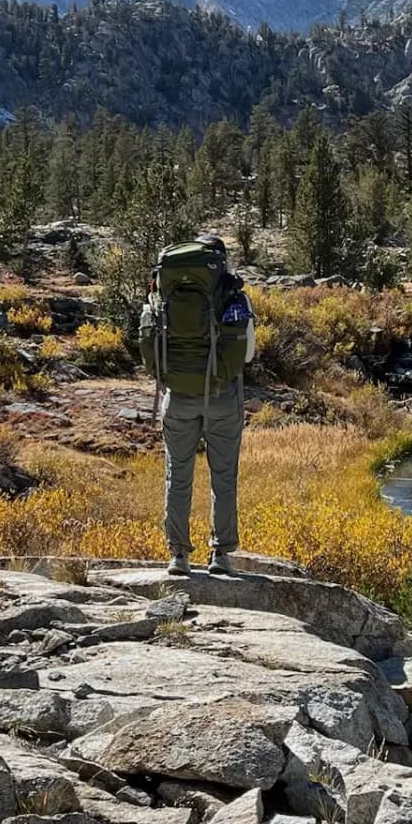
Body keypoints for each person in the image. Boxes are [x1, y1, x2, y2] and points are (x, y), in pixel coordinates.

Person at [139, 234, 256, 575]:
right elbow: (247, 354)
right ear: (220, 263)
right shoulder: (233, 296)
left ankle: (178, 555)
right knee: (224, 477)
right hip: (222, 396)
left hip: (177, 396)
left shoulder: (163, 294)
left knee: (177, 476)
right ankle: (220, 554)